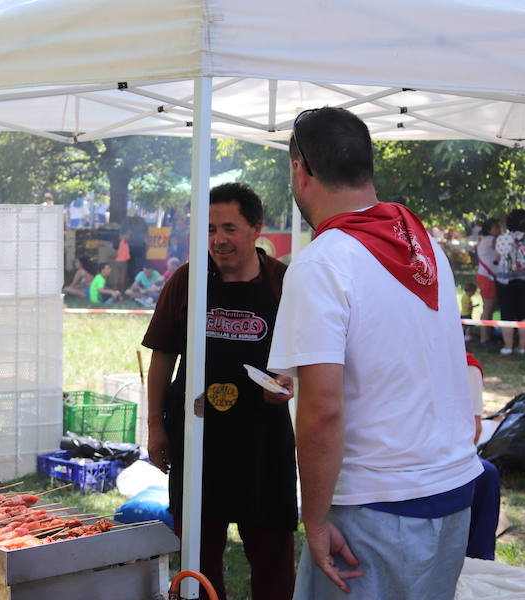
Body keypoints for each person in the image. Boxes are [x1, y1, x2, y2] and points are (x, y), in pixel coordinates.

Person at [268, 107, 482, 599]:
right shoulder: (425, 244)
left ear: (301, 171)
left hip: (376, 501)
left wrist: (315, 520)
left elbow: (322, 410)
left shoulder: (322, 262)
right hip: (449, 487)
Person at [143, 182, 296, 600]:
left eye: (229, 228)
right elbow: (162, 359)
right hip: (197, 437)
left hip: (262, 441)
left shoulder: (284, 283)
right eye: (210, 229)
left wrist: (287, 382)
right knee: (197, 554)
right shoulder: (188, 280)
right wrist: (156, 427)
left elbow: (308, 359)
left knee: (273, 554)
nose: (218, 240)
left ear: (256, 229)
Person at [465, 353, 501, 561]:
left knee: (485, 473)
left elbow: (472, 431)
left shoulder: (466, 364)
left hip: (439, 454)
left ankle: (478, 561)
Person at [494, 208, 525, 355]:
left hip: (505, 281)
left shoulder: (502, 239)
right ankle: (522, 348)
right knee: (524, 313)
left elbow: (498, 259)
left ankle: (507, 347)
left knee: (506, 314)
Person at [476, 218, 501, 344]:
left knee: (488, 308)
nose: (499, 229)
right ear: (489, 230)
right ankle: (484, 338)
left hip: (485, 277)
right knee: (489, 308)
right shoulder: (490, 239)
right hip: (488, 278)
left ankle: (486, 336)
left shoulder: (485, 239)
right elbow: (501, 242)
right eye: (496, 227)